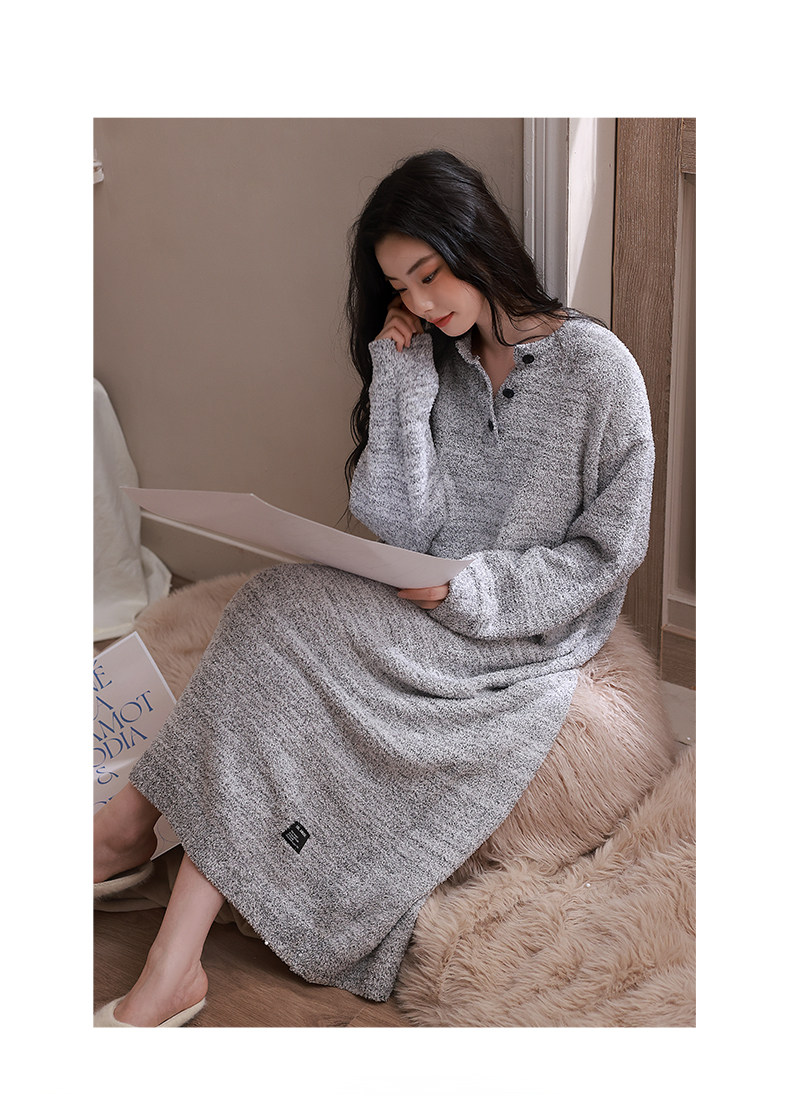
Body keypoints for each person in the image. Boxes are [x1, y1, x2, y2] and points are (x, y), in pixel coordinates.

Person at [93, 149, 655, 1026]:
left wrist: (474, 589)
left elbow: (606, 553)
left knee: (275, 625)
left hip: (518, 636)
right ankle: (153, 898)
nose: (422, 303)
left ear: (477, 241)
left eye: (430, 274)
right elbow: (401, 523)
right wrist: (399, 377)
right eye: (401, 287)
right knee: (273, 607)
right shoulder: (438, 359)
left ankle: (141, 877)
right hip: (421, 604)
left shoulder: (600, 371)